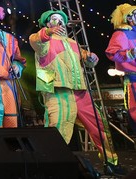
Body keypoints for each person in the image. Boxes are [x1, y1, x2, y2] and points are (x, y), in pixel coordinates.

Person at [30, 9, 124, 176]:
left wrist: (91, 58)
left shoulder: (73, 43)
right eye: (54, 19)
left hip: (79, 90)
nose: (59, 22)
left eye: (61, 19)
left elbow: (87, 60)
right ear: (47, 23)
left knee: (99, 125)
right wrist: (48, 32)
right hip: (57, 90)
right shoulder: (43, 39)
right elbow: (36, 40)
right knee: (58, 130)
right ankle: (51, 168)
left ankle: (111, 162)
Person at [105, 3, 136, 131]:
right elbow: (112, 53)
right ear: (129, 18)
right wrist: (129, 54)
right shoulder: (121, 34)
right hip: (134, 79)